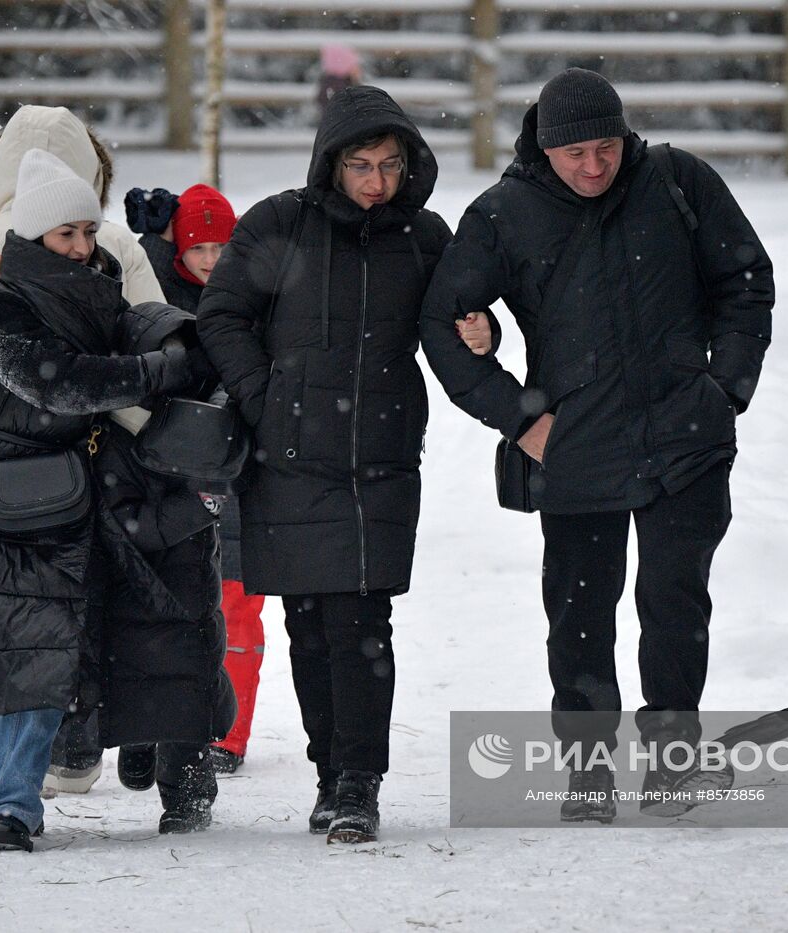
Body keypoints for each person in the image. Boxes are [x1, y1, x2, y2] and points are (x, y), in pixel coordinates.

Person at [419, 68, 775, 823]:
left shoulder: (678, 182)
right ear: (545, 148)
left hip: (687, 439)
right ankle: (587, 775)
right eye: (575, 152)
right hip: (575, 448)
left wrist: (726, 390)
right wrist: (521, 418)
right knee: (580, 614)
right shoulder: (503, 214)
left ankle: (672, 763)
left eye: (606, 147)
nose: (592, 166)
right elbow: (441, 322)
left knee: (675, 601)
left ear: (625, 137)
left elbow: (746, 281)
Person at [197, 86, 487, 844]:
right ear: (331, 162)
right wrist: (268, 398)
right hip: (286, 456)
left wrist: (481, 333)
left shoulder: (424, 238)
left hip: (378, 457)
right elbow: (220, 315)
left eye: (390, 165)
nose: (374, 182)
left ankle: (359, 781)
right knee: (308, 624)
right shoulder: (278, 224)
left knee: (362, 621)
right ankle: (330, 771)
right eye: (360, 165)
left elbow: (458, 322)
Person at [0, 148, 225, 850]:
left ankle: (73, 785)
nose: (85, 247)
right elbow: (58, 382)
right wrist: (153, 371)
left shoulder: (102, 293)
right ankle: (14, 804)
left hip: (76, 502)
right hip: (1, 509)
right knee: (13, 657)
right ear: (32, 237)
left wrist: (181, 352)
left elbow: (115, 354)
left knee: (80, 644)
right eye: (68, 235)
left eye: (88, 233)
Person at [0, 104, 166, 798]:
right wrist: (154, 444)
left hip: (2, 464)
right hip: (100, 457)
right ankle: (77, 738)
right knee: (92, 603)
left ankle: (34, 745)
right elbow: (150, 341)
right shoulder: (111, 243)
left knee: (10, 611)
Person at [124, 182, 266, 776]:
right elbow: (140, 286)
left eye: (220, 247)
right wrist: (155, 242)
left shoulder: (254, 297)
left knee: (237, 614)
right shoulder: (163, 297)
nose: (209, 260)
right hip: (173, 479)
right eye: (196, 247)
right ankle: (163, 725)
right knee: (168, 611)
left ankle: (228, 735)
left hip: (237, 482)